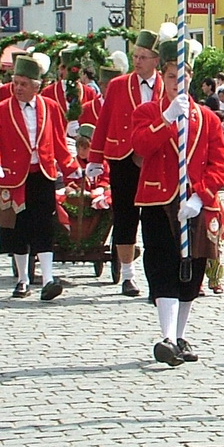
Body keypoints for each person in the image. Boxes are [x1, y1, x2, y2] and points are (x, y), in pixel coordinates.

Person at [131, 36, 224, 365]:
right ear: (163, 77)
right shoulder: (147, 112)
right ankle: (167, 337)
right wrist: (166, 119)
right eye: (171, 77)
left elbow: (219, 166)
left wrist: (201, 197)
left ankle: (179, 335)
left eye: (182, 77)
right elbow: (141, 147)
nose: (176, 83)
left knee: (191, 271)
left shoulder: (209, 119)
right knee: (162, 267)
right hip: (158, 202)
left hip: (194, 205)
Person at [0, 51, 74, 301]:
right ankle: (23, 279)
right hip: (14, 176)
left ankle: (49, 278)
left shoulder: (50, 107)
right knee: (18, 228)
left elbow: (58, 142)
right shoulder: (0, 111)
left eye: (23, 84)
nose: (18, 88)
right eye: (15, 82)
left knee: (43, 225)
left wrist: (71, 167)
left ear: (36, 86)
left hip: (42, 173)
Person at [87, 26, 168, 296]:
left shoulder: (166, 84)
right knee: (125, 217)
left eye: (143, 56)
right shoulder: (119, 85)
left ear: (156, 60)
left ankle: (157, 274)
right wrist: (95, 158)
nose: (137, 61)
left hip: (156, 157)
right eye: (135, 56)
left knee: (156, 218)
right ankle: (127, 275)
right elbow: (104, 121)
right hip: (122, 157)